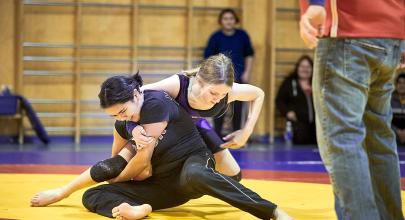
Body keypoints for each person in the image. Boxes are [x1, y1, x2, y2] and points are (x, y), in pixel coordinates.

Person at [31, 74, 293, 220]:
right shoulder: (125, 122)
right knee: (92, 196)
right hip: (163, 186)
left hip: (191, 161)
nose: (122, 118)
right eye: (115, 116)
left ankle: (271, 211)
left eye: (123, 111)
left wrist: (122, 179)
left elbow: (141, 164)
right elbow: (114, 163)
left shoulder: (155, 102)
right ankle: (142, 208)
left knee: (203, 174)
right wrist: (66, 192)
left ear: (136, 96)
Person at [300, 0, 405, 219]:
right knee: (379, 138)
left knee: (344, 138)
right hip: (391, 35)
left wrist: (317, 3)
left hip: (347, 32)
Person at [130, 53, 264, 180]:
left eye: (223, 94)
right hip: (169, 131)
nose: (218, 99)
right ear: (199, 81)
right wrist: (133, 129)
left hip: (197, 125)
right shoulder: (178, 85)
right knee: (147, 175)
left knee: (234, 176)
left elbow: (258, 94)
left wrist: (246, 131)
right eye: (213, 93)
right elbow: (133, 97)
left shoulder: (226, 90)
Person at [204, 8, 255, 136]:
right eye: (225, 19)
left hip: (238, 78)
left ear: (235, 21)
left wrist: (247, 72)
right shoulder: (215, 37)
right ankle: (217, 137)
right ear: (221, 21)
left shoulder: (242, 36)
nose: (228, 21)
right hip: (220, 79)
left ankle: (237, 135)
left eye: (231, 18)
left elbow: (249, 55)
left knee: (238, 108)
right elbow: (208, 58)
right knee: (218, 106)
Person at [276, 55, 316, 145]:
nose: (305, 69)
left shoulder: (315, 83)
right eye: (302, 66)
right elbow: (279, 100)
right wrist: (287, 112)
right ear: (298, 68)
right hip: (298, 125)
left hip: (315, 126)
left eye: (308, 67)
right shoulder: (289, 82)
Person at [392, 73, 405, 146]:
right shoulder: (388, 101)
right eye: (399, 82)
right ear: (396, 85)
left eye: (404, 83)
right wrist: (397, 131)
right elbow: (385, 119)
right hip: (392, 140)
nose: (402, 85)